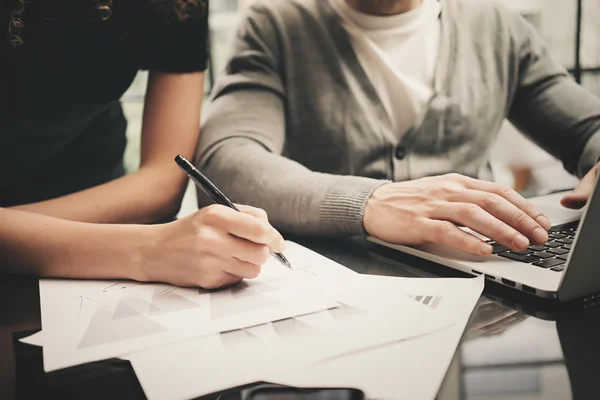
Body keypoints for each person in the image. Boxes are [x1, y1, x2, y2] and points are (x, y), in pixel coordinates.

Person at [195, 0, 600, 257]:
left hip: (484, 279)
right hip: (335, 288)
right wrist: (369, 202)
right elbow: (227, 162)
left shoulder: (496, 26)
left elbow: (587, 128)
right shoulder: (276, 25)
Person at [0, 0, 285, 288]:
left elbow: (161, 180)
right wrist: (147, 250)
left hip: (100, 199)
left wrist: (18, 233)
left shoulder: (178, 4)